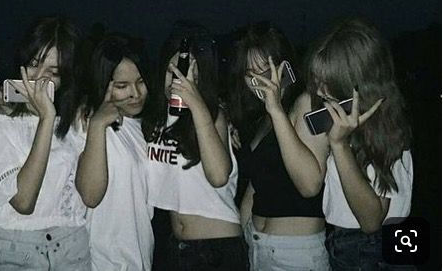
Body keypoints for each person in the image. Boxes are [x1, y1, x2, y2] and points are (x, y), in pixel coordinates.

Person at [0, 16, 90, 270]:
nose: (39, 78)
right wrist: (46, 119)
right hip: (15, 248)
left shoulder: (74, 120)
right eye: (34, 64)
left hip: (72, 246)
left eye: (54, 72)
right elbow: (23, 201)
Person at [304, 18, 413, 270]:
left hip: (369, 247)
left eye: (327, 82)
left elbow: (371, 221)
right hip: (359, 244)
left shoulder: (382, 129)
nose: (319, 91)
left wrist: (339, 146)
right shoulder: (361, 124)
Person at [143, 21, 245, 270]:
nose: (178, 81)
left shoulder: (213, 116)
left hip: (215, 249)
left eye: (191, 76)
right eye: (173, 72)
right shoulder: (155, 120)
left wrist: (196, 104)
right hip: (174, 247)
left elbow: (219, 176)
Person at [227, 22, 330, 270]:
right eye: (250, 73)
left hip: (295, 251)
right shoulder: (261, 119)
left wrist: (276, 110)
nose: (258, 80)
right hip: (257, 244)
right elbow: (256, 185)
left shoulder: (306, 103)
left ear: (284, 66)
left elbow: (310, 185)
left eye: (265, 70)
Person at [76, 33, 154, 271]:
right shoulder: (85, 122)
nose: (135, 93)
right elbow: (90, 196)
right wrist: (98, 124)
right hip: (101, 260)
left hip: (140, 256)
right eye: (122, 86)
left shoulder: (142, 127)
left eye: (141, 82)